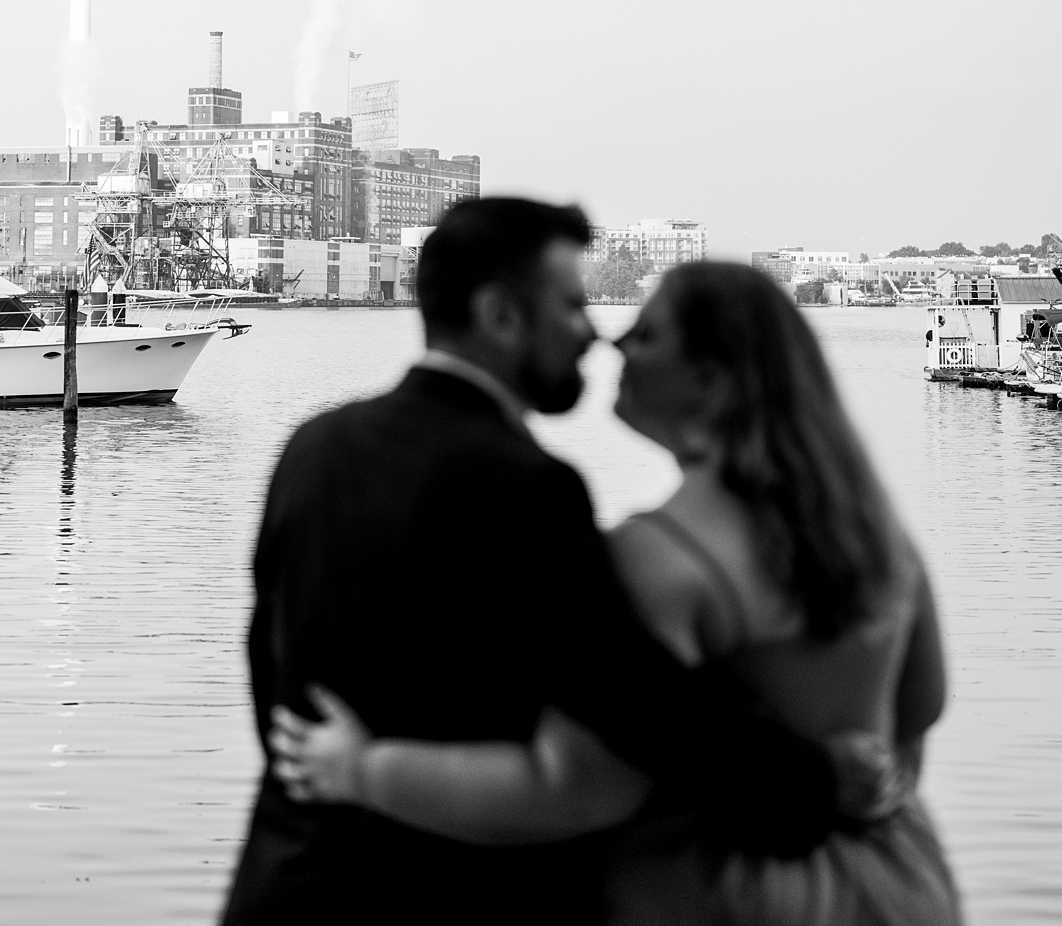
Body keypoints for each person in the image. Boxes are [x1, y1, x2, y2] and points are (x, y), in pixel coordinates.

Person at [220, 197, 865, 926]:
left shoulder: (314, 448)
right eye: (570, 304)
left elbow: (271, 670)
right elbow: (636, 698)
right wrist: (812, 783)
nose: (592, 333)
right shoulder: (525, 486)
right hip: (447, 893)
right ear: (501, 316)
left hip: (286, 884)